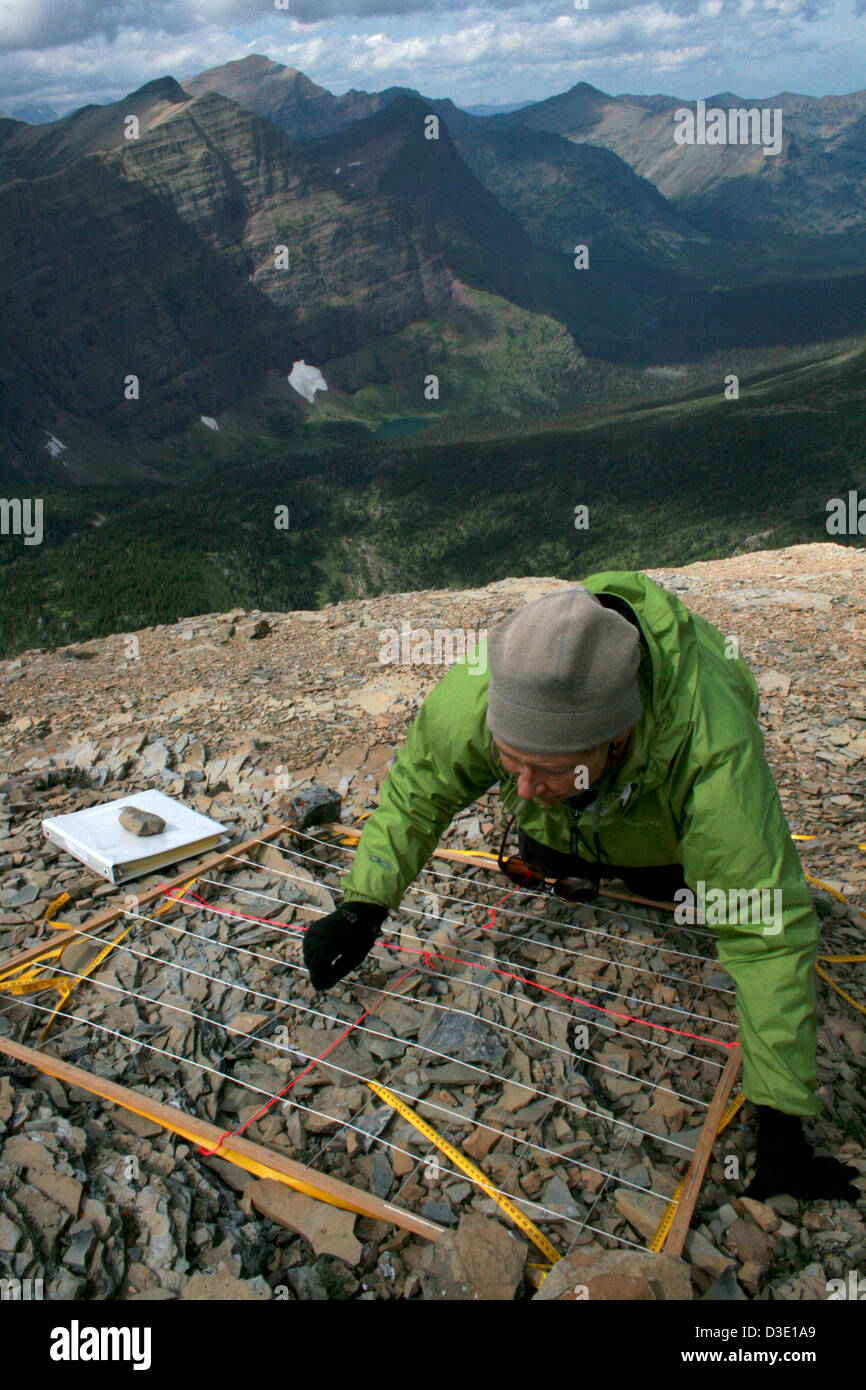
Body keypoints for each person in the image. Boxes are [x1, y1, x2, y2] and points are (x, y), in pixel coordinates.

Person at [303, 572, 860, 1202]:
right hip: (573, 819)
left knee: (675, 888)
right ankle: (573, 827)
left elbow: (765, 927)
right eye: (509, 764)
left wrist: (780, 1120)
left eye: (542, 770)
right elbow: (418, 790)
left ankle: (635, 851)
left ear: (619, 736)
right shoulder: (492, 687)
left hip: (659, 828)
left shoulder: (712, 744)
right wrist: (364, 905)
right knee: (547, 838)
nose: (518, 789)